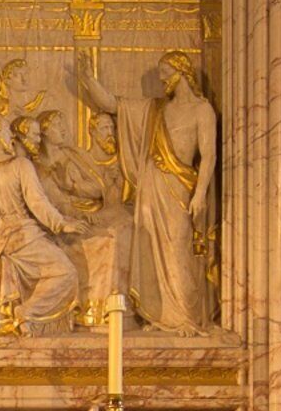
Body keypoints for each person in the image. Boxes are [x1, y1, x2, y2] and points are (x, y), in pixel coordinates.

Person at [76, 50, 218, 332]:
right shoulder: (157, 109)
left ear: (181, 71)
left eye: (166, 72)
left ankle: (185, 317)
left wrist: (201, 192)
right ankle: (162, 315)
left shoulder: (202, 110)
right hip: (152, 186)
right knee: (151, 247)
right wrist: (90, 80)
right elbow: (114, 105)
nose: (163, 78)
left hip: (179, 186)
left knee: (178, 247)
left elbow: (209, 155)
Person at [0, 112, 82, 336]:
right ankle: (27, 312)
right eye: (6, 130)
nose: (12, 136)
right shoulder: (20, 165)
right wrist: (62, 224)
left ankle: (25, 314)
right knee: (67, 272)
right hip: (24, 238)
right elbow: (38, 203)